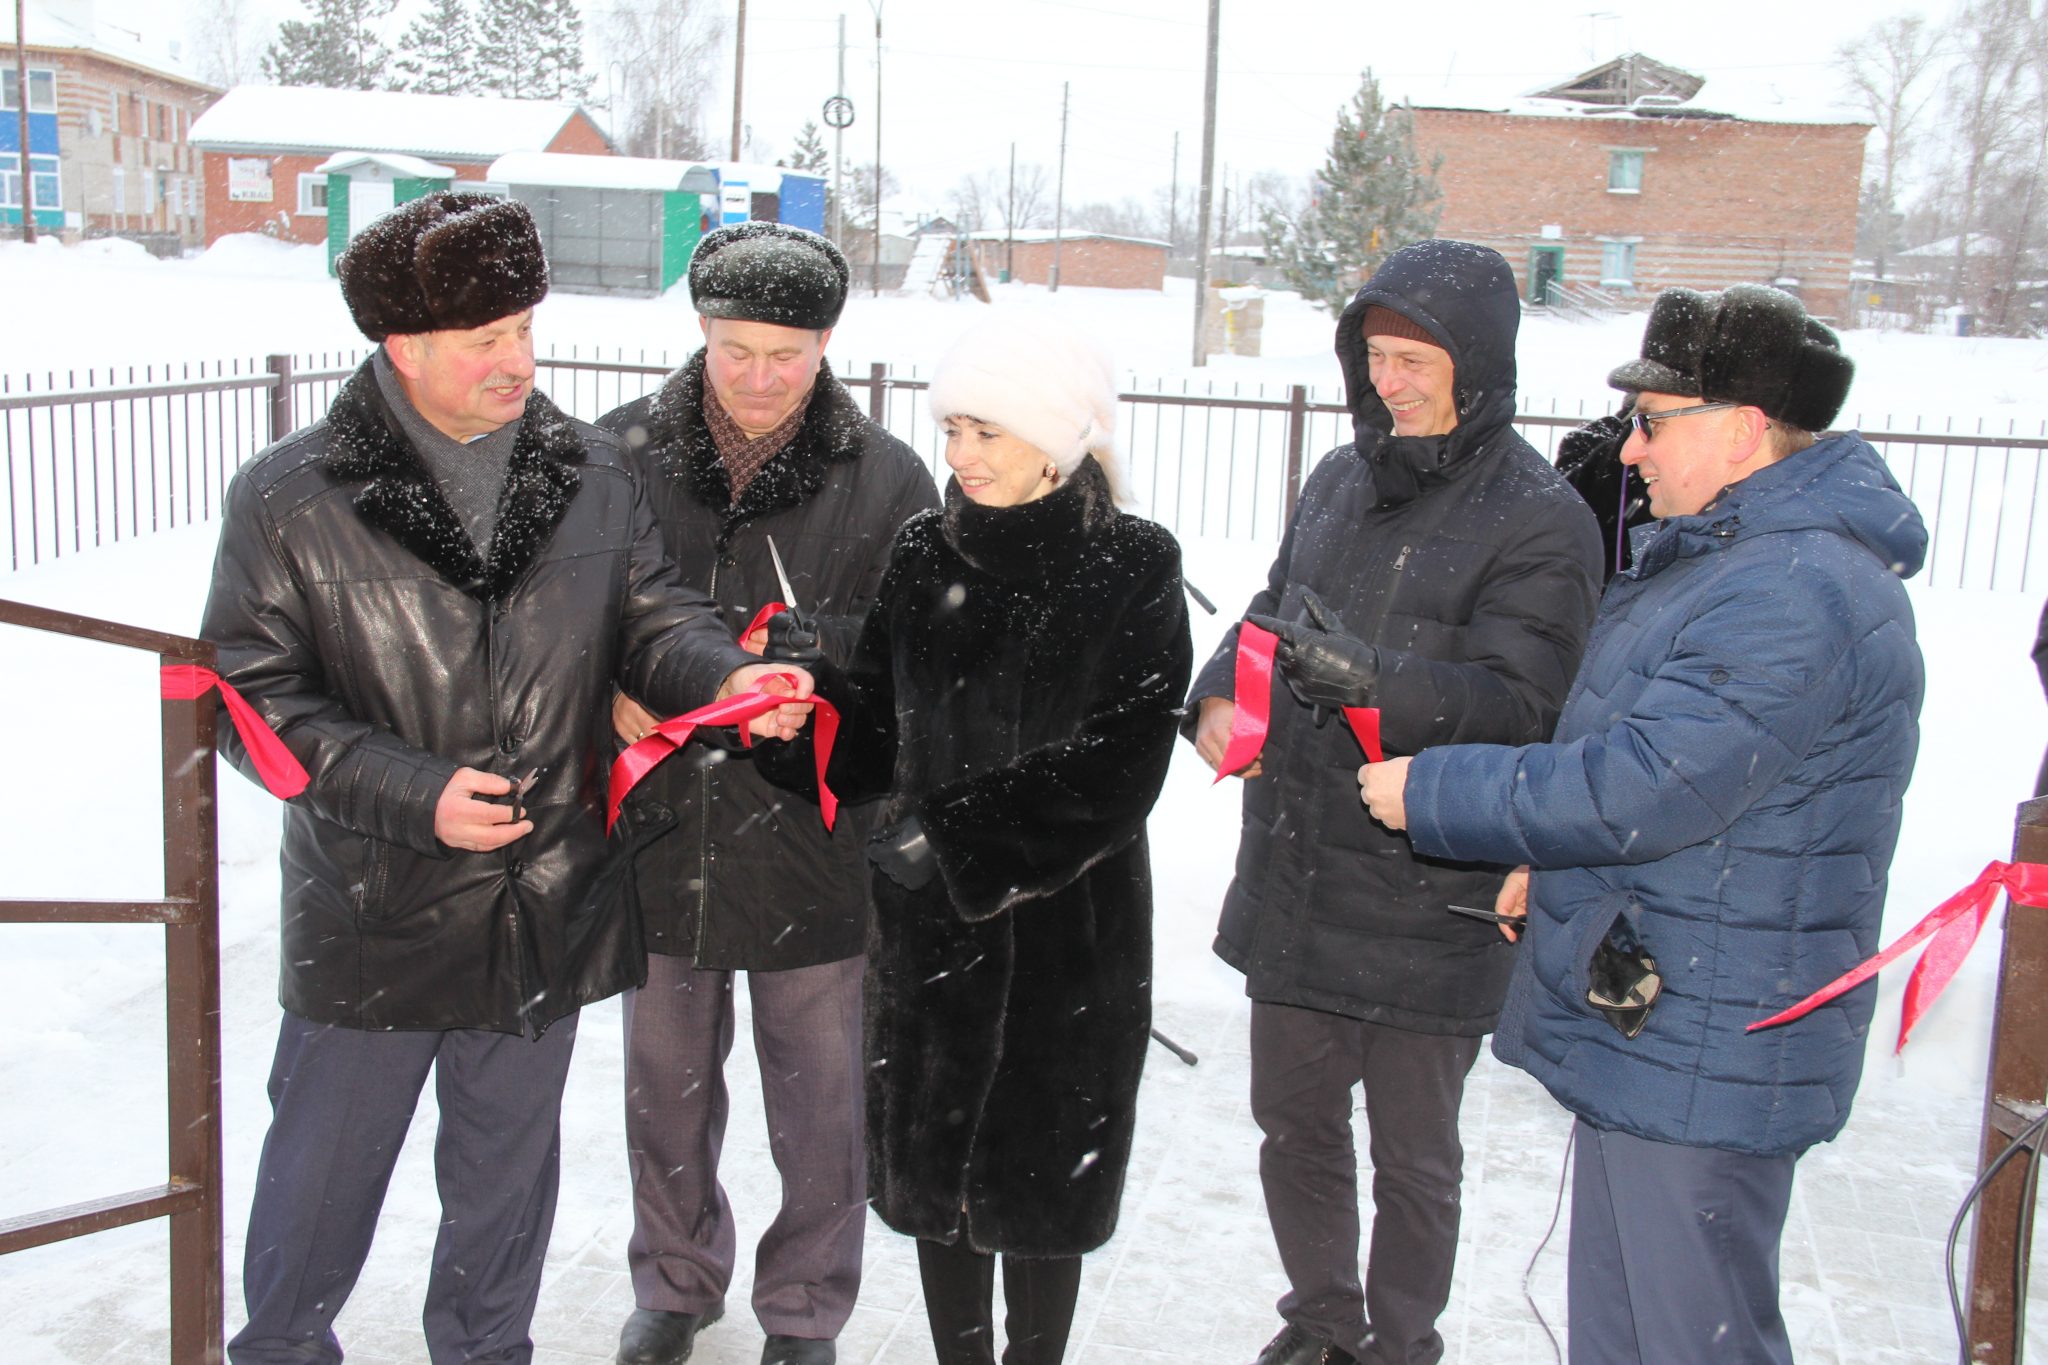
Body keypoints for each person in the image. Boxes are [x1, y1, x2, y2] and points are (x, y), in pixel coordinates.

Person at [201, 192, 813, 1365]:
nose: (518, 361)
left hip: (543, 901)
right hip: (374, 912)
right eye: (487, 340)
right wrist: (405, 790)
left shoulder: (588, 468)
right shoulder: (291, 494)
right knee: (320, 1186)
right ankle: (278, 1350)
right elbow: (251, 701)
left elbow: (650, 618)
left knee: (502, 1195)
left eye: (525, 330)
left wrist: (723, 678)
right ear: (403, 346)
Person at [1362, 284, 1926, 1365]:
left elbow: (1646, 783)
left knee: (1685, 1336)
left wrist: (1436, 789)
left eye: (1652, 423)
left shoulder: (1791, 589)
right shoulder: (1732, 561)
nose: (1627, 452)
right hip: (1667, 1022)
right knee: (1623, 1335)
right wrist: (1549, 862)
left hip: (1712, 1043)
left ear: (1742, 429)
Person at [1185, 239, 1603, 1365]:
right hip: (1299, 872)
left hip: (1430, 899)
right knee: (1295, 1129)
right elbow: (1272, 615)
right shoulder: (1337, 477)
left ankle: (1397, 1344)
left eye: (1418, 358)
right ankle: (1320, 1322)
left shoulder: (1539, 518)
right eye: (1375, 354)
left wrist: (1375, 681)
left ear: (1480, 366)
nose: (1391, 381)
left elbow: (1528, 707)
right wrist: (1217, 694)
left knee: (1414, 1162)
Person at [763, 311, 1193, 1365]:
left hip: (1068, 946)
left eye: (984, 432)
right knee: (935, 1188)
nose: (956, 456)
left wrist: (956, 838)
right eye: (951, 428)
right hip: (929, 946)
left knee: (1041, 1192)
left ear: (1054, 437)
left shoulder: (1130, 562)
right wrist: (802, 708)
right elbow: (874, 729)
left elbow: (1122, 761)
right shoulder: (923, 548)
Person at [599, 222, 939, 1365]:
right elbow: (562, 624)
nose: (756, 377)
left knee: (821, 1098)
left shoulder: (885, 476)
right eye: (734, 349)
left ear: (827, 343)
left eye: (783, 355)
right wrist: (610, 695)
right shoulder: (617, 458)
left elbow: (922, 662)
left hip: (809, 833)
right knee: (665, 1086)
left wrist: (821, 654)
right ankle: (675, 1280)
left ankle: (804, 1307)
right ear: (699, 332)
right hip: (660, 831)